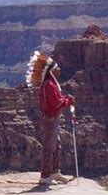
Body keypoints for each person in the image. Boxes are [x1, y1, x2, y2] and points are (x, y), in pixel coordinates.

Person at [25, 51, 75, 185]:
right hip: (50, 119)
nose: (58, 70)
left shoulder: (50, 82)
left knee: (56, 145)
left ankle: (55, 172)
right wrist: (68, 101)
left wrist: (65, 99)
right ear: (50, 70)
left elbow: (57, 99)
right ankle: (45, 176)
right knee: (49, 147)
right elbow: (56, 102)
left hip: (53, 117)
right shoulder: (49, 85)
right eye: (55, 68)